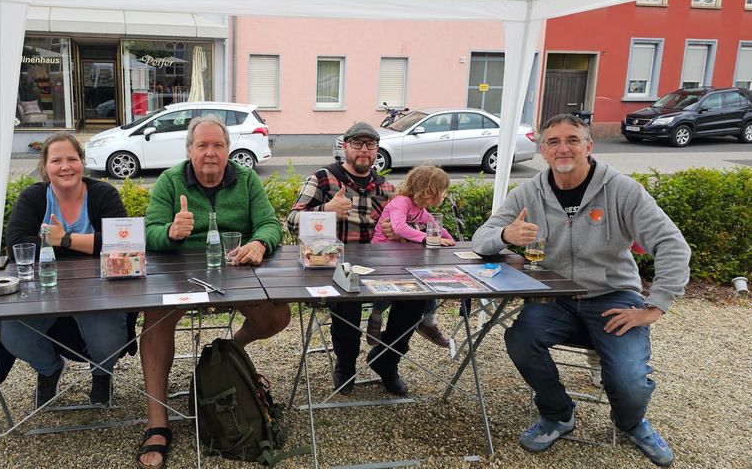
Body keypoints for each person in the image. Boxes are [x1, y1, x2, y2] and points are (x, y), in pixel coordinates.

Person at [471, 113, 689, 467]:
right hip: (555, 296)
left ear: (589, 145)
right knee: (519, 340)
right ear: (542, 150)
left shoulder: (621, 189)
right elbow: (481, 239)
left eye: (572, 139)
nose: (563, 148)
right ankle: (558, 414)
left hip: (612, 296)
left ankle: (631, 422)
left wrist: (655, 306)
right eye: (553, 142)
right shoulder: (528, 192)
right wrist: (506, 235)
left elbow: (672, 245)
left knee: (629, 380)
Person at [137, 115, 287, 469]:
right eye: (202, 145)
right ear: (189, 150)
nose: (210, 152)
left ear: (228, 150)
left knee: (277, 315)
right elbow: (149, 233)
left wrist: (260, 243)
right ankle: (157, 424)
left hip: (236, 272)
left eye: (218, 145)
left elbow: (270, 224)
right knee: (155, 320)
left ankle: (227, 351)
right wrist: (171, 232)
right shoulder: (170, 181)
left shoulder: (247, 178)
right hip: (180, 275)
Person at [286, 121, 423, 397]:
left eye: (370, 145)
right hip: (332, 264)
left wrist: (398, 233)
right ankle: (346, 365)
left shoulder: (387, 188)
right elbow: (291, 220)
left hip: (380, 266)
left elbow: (412, 225)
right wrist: (326, 210)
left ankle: (387, 359)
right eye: (357, 144)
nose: (364, 150)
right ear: (345, 147)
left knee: (416, 297)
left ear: (376, 150)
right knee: (347, 297)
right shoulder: (324, 178)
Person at [3, 132, 130, 409]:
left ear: (82, 163)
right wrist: (85, 244)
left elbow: (122, 242)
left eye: (72, 159)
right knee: (12, 334)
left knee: (108, 339)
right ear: (45, 167)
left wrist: (62, 239)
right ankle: (49, 369)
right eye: (56, 160)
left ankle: (101, 373)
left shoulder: (102, 193)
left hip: (99, 292)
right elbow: (16, 246)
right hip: (42, 291)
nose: (65, 166)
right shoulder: (34, 196)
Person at [367, 164, 456, 349]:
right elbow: (399, 227)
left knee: (427, 279)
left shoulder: (420, 208)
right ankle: (376, 315)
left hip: (402, 256)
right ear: (428, 191)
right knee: (393, 285)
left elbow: (436, 227)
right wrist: (428, 237)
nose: (444, 195)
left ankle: (428, 322)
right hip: (381, 254)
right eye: (443, 191)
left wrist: (452, 242)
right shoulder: (402, 202)